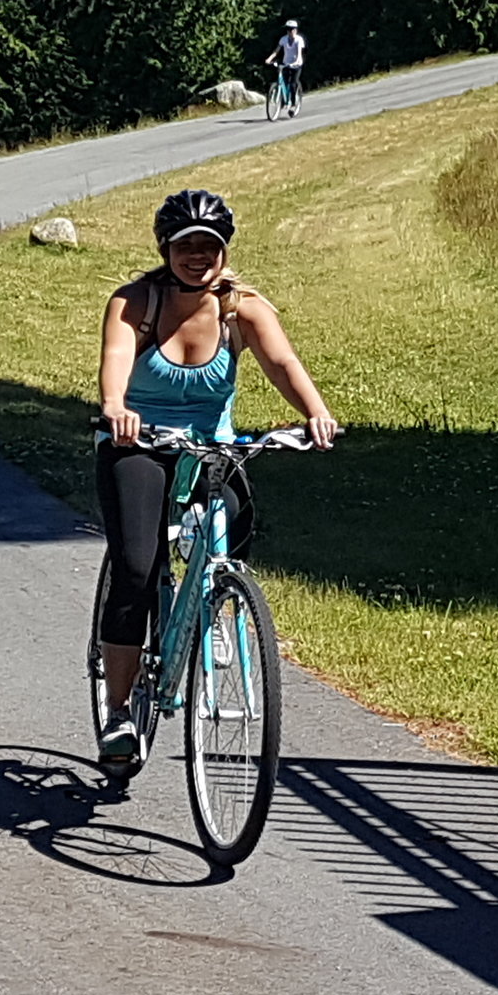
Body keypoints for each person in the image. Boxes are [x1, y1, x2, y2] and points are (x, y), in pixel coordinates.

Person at [93, 188, 337, 767]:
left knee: (233, 522)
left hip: (212, 446)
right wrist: (116, 407)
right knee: (135, 564)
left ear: (225, 251)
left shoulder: (242, 309)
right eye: (186, 247)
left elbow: (281, 362)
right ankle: (120, 709)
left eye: (209, 246)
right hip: (140, 443)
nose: (197, 256)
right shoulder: (135, 303)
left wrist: (315, 412)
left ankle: (216, 607)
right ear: (165, 250)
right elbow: (115, 365)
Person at [271, 20, 306, 113]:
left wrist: (297, 61)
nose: (290, 32)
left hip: (296, 65)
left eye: (292, 29)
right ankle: (283, 102)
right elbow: (276, 51)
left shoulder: (299, 40)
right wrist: (269, 58)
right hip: (286, 64)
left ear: (295, 30)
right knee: (283, 83)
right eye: (288, 29)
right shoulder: (283, 39)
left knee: (293, 84)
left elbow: (299, 53)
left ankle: (293, 104)